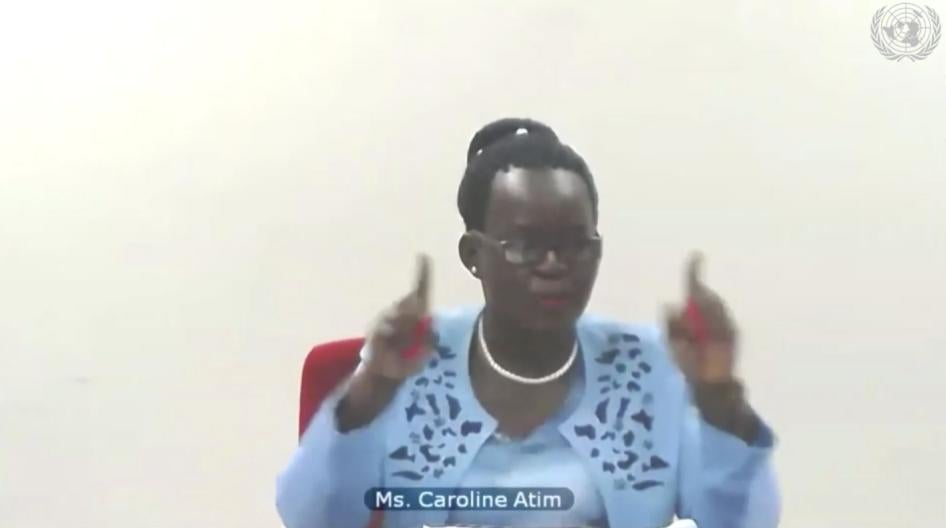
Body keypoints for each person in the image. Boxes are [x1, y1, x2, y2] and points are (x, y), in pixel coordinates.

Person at [276, 118, 781, 528]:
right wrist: (371, 392)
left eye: (576, 244)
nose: (554, 264)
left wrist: (718, 397)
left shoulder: (650, 370)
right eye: (525, 245)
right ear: (474, 254)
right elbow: (314, 519)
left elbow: (743, 523)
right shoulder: (410, 366)